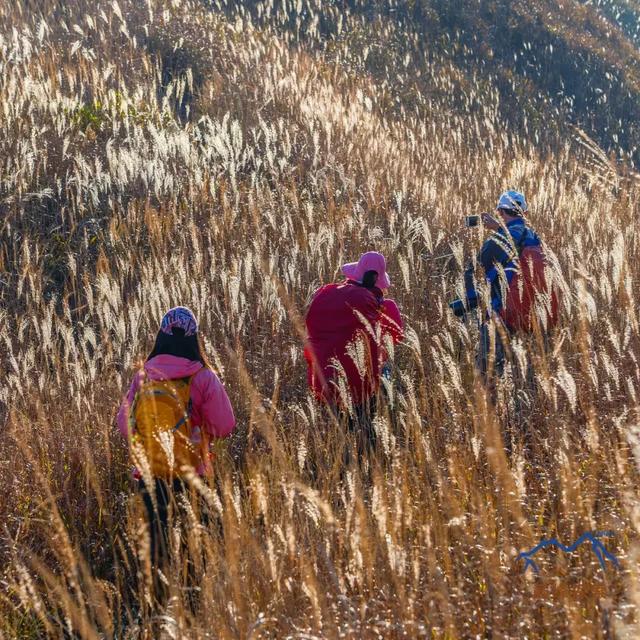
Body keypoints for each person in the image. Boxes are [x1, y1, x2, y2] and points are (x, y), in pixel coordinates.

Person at [116, 306, 235, 591]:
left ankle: (159, 604)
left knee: (158, 548)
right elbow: (225, 425)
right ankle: (193, 598)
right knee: (198, 544)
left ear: (161, 335)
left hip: (149, 473)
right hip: (193, 474)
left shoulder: (143, 377)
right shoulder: (203, 377)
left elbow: (125, 424)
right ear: (195, 339)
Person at [451, 190, 559, 377]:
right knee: (525, 382)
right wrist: (499, 227)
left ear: (501, 212)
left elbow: (473, 269)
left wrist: (469, 300)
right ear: (523, 212)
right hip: (533, 319)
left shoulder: (497, 240)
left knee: (487, 381)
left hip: (502, 317)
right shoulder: (534, 238)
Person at [304, 252, 403, 452]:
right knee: (368, 425)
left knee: (341, 434)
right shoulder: (384, 307)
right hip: (363, 387)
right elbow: (395, 339)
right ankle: (374, 460)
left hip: (326, 380)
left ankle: (342, 466)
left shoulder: (326, 295)